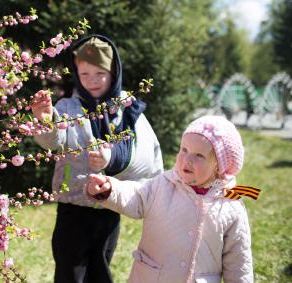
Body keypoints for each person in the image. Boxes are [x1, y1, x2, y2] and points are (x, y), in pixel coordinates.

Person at [31, 34, 163, 283]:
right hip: (72, 208)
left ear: (113, 73)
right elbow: (53, 141)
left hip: (108, 207)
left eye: (99, 73)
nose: (92, 81)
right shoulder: (67, 108)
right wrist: (46, 120)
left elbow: (146, 156)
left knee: (100, 270)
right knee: (69, 271)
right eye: (84, 74)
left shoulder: (127, 110)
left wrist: (111, 158)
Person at [87, 115, 261, 283]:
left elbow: (239, 261)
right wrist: (110, 189)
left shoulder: (230, 205)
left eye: (199, 155)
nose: (187, 159)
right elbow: (136, 194)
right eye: (184, 150)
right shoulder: (162, 185)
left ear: (219, 166)